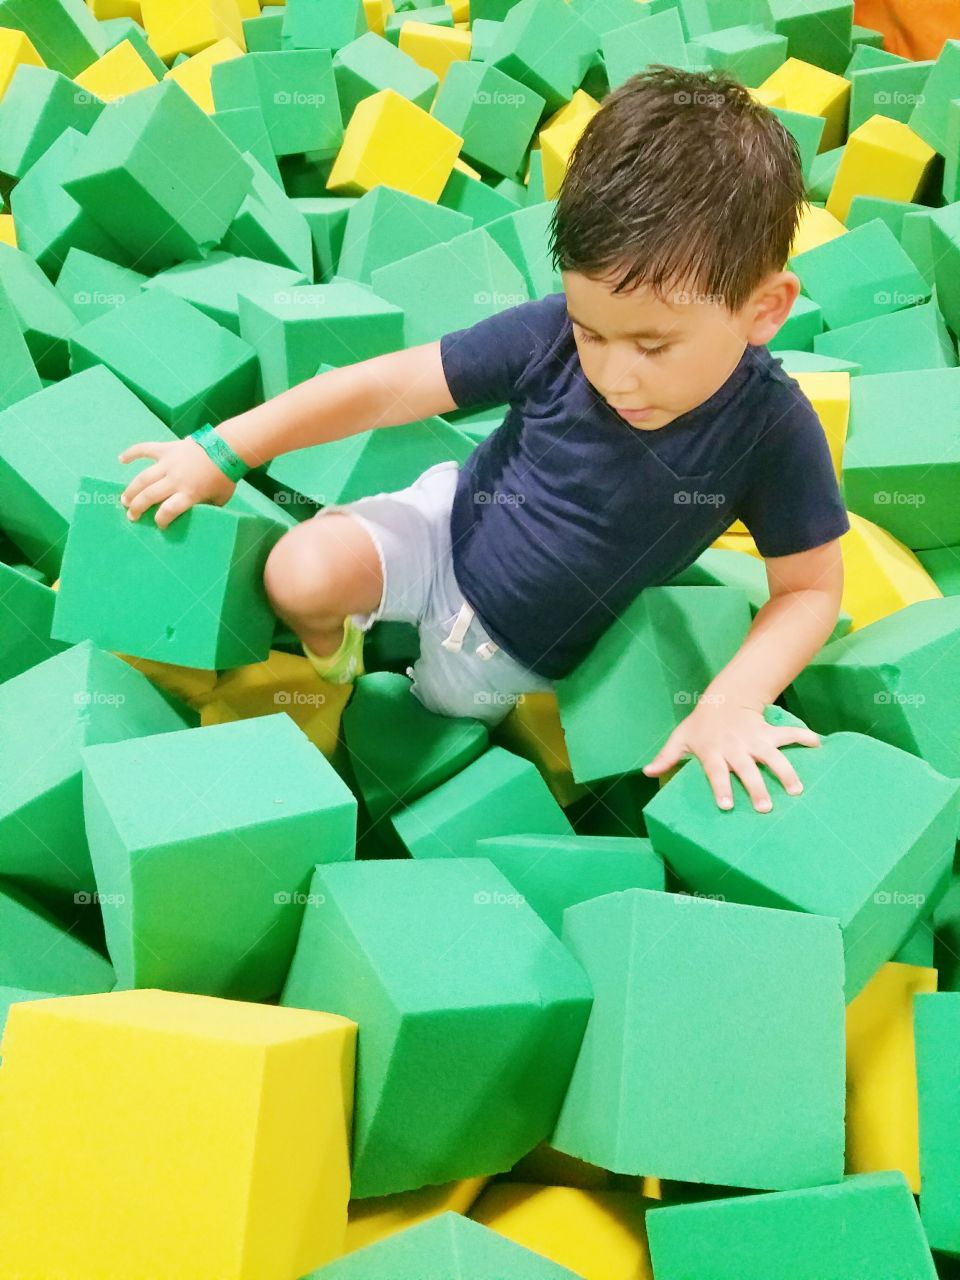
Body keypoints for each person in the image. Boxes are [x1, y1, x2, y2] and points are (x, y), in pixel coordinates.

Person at [117, 65, 849, 814]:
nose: (614, 375)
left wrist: (733, 701)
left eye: (654, 347)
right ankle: (338, 659)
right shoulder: (548, 334)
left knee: (426, 726)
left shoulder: (775, 431)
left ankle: (405, 709)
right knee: (296, 574)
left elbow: (811, 590)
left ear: (765, 310)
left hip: (518, 650)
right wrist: (223, 450)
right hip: (448, 523)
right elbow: (382, 386)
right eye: (592, 331)